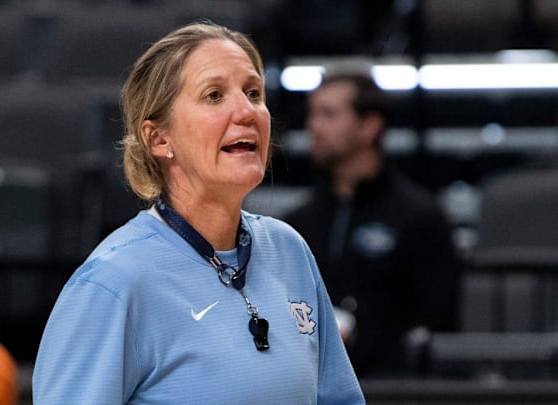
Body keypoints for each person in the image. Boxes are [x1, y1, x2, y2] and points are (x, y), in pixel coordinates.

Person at [33, 22, 364, 404]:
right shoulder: (113, 282)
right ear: (159, 139)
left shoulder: (289, 251)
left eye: (254, 93)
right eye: (214, 95)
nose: (246, 110)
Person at [285, 72, 460, 377]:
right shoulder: (296, 222)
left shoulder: (419, 217)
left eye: (328, 114)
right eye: (312, 114)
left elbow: (438, 325)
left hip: (392, 389)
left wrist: (364, 341)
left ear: (369, 127)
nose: (313, 126)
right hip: (308, 386)